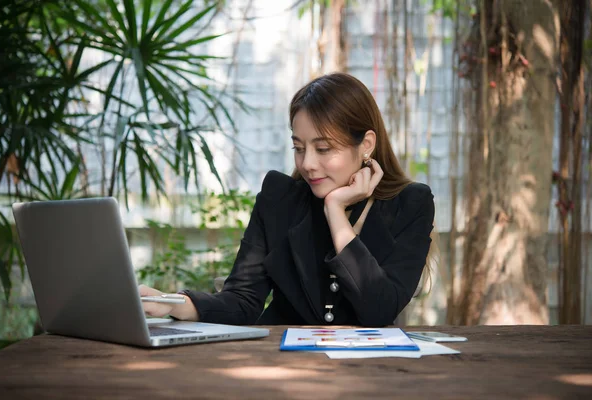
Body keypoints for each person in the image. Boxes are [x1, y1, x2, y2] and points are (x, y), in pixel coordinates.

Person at [140, 72, 435, 326]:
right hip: (279, 362)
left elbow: (379, 309)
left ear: (366, 144)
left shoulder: (410, 204)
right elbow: (243, 299)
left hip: (369, 374)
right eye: (298, 147)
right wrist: (174, 304)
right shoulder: (280, 199)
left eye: (323, 149)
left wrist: (335, 211)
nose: (307, 164)